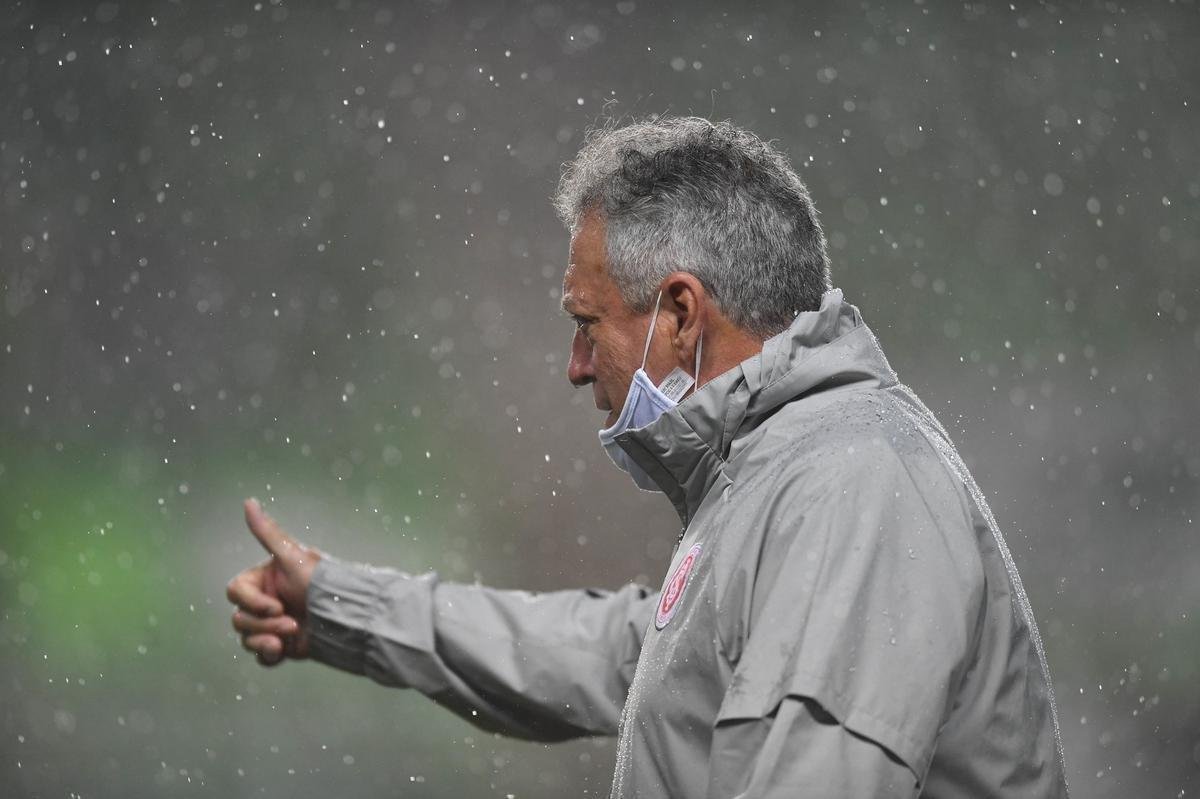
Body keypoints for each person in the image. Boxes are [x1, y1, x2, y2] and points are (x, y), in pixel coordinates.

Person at [226, 117, 1070, 797]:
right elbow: (619, 654)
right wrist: (348, 608)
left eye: (586, 323)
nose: (575, 364)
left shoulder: (851, 483)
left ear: (678, 312)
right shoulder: (779, 473)